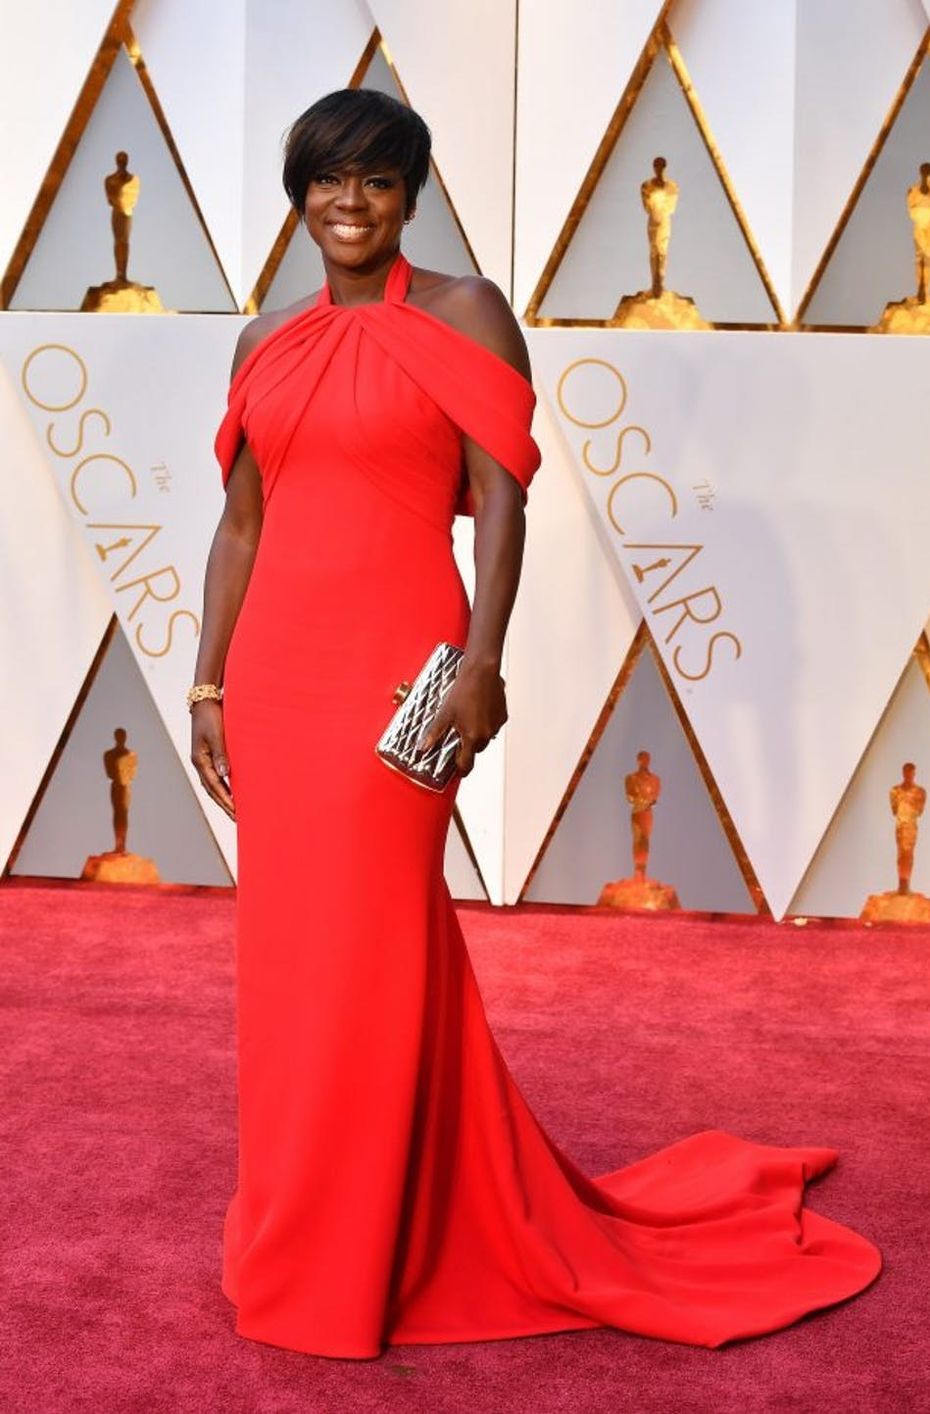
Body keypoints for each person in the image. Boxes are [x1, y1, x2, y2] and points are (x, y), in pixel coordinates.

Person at [189, 88, 881, 1361]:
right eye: (327, 182)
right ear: (297, 196)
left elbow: (502, 504)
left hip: (402, 668)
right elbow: (241, 525)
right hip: (278, 676)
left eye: (377, 182)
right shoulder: (262, 342)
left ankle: (371, 1243)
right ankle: (325, 1216)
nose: (351, 204)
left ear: (411, 195)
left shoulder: (465, 312)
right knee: (295, 955)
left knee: (379, 940)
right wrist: (206, 683)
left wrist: (479, 663)